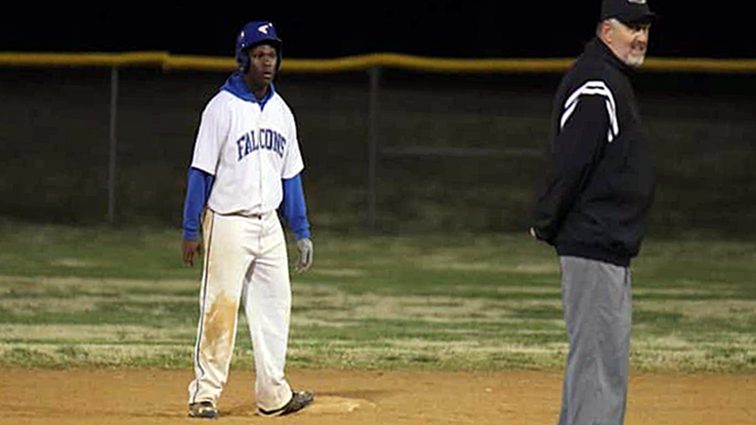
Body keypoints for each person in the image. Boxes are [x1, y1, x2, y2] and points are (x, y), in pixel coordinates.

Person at [529, 1, 656, 424]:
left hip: (605, 245)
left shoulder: (609, 79)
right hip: (593, 243)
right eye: (631, 27)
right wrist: (546, 220)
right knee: (599, 364)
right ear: (606, 31)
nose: (640, 36)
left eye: (645, 28)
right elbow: (572, 161)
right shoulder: (596, 82)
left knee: (599, 362)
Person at [181, 20, 315, 419]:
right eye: (259, 55)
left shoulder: (281, 111)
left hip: (269, 225)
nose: (267, 62)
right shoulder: (221, 108)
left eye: (271, 54)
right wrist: (191, 228)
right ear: (244, 60)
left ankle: (273, 394)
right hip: (227, 222)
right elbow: (199, 171)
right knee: (219, 308)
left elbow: (291, 176)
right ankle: (204, 394)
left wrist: (302, 230)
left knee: (276, 307)